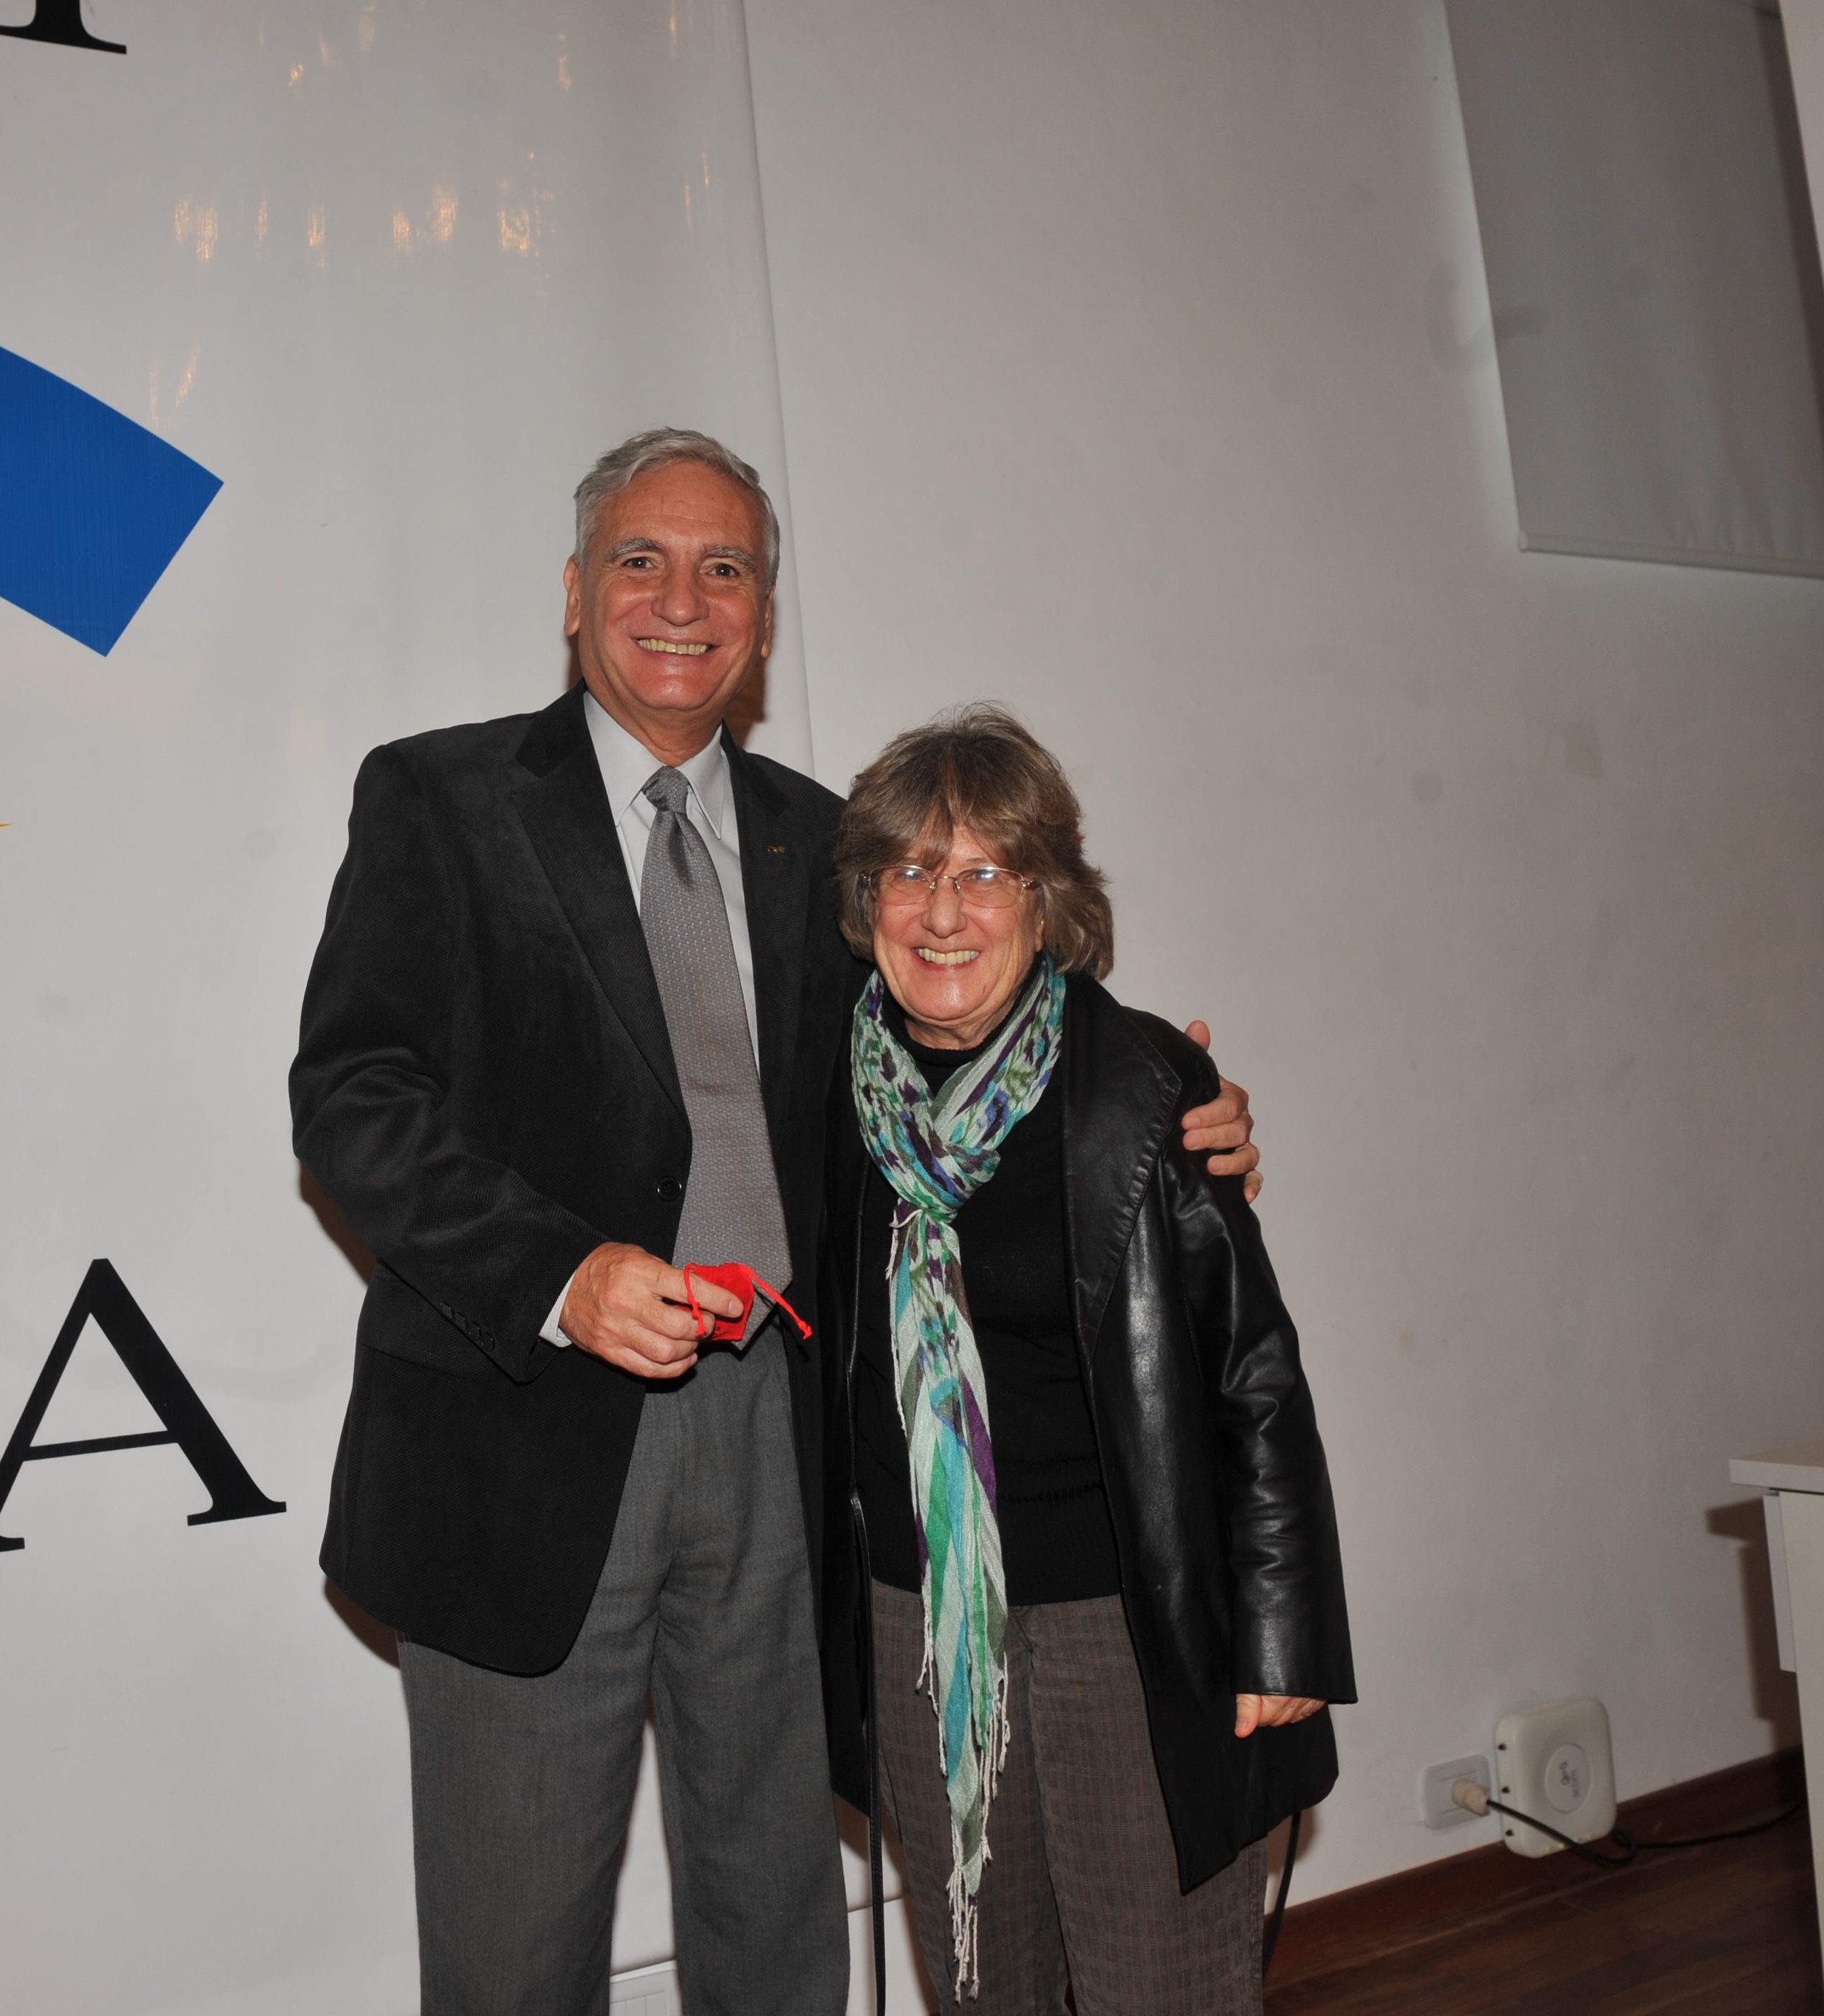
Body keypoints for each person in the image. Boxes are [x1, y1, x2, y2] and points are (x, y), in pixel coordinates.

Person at [291, 430, 1262, 2016]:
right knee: (513, 1952)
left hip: (795, 1438)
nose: (683, 600)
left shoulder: (827, 843)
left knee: (778, 1919)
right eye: (641, 560)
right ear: (574, 591)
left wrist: (1160, 1098)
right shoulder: (439, 798)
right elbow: (354, 1097)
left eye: (725, 568)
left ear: (761, 615)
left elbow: (961, 1022)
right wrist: (563, 1274)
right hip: (525, 1435)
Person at [814, 706, 1352, 2016]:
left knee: (1158, 1988)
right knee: (988, 1989)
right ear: (867, 902)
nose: (945, 911)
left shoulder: (1146, 1086)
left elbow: (1254, 1381)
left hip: (1127, 1622)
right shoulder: (825, 1093)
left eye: (986, 872)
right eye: (911, 870)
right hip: (922, 1627)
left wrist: (1280, 1636)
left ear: (1047, 903)